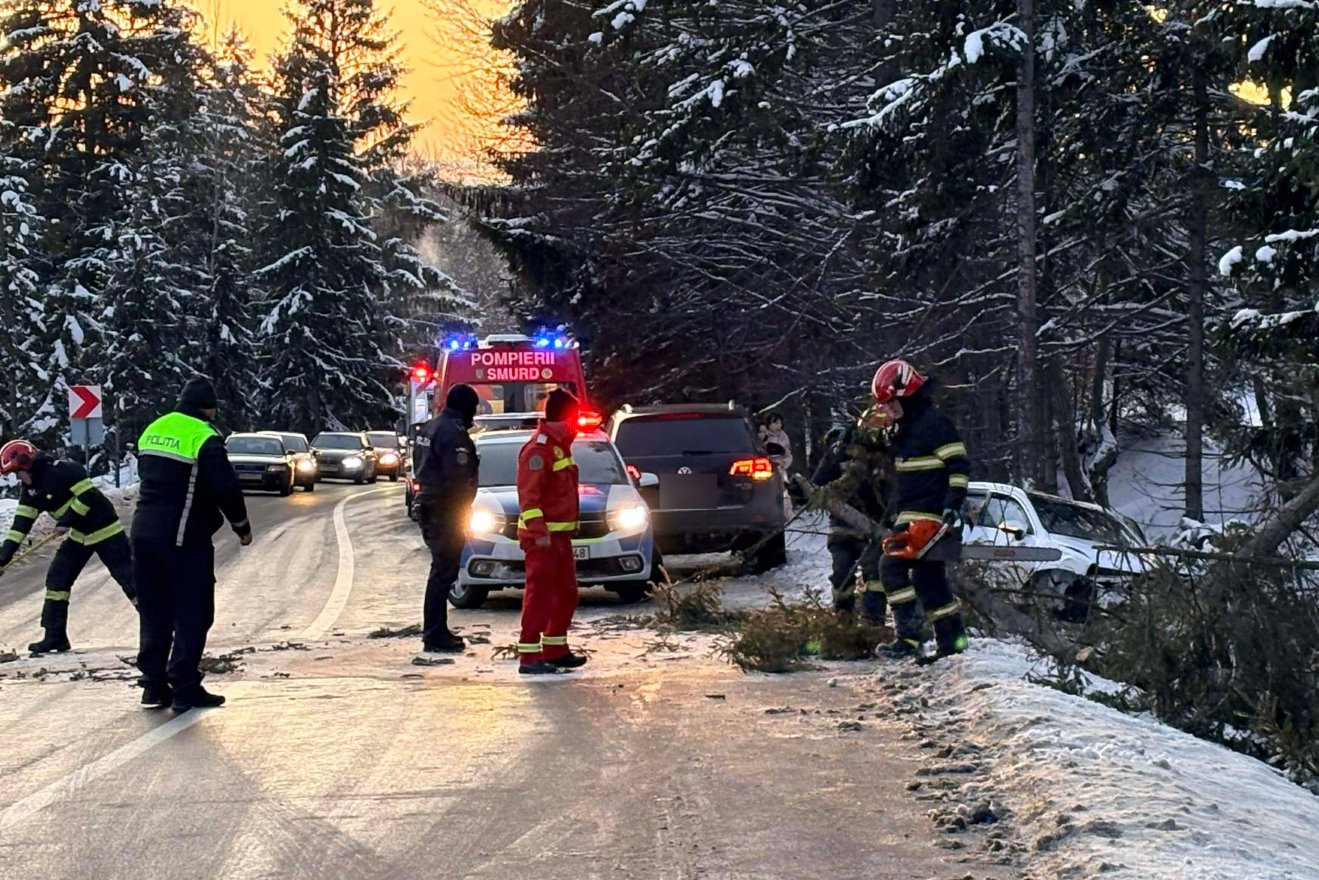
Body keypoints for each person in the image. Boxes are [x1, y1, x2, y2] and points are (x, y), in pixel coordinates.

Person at [132, 376, 251, 712]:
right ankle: (184, 686)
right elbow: (224, 487)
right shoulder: (203, 436)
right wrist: (240, 525)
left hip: (143, 534)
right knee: (193, 612)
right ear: (209, 409)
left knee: (154, 611)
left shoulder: (153, 428)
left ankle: (153, 686)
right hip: (183, 538)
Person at [870, 360, 970, 661]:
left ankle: (910, 637)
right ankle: (953, 642)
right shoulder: (907, 428)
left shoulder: (933, 424)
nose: (888, 409)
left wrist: (953, 505)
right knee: (929, 581)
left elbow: (959, 466)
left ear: (908, 393)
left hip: (930, 517)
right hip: (911, 514)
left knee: (890, 567)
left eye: (891, 402)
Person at [0, 440, 137, 654]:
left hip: (105, 529)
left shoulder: (64, 471)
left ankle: (159, 628)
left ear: (27, 464)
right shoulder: (30, 491)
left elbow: (89, 496)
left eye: (17, 473)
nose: (17, 478)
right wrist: (3, 558)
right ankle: (55, 637)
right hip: (79, 535)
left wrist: (66, 520)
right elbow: (20, 527)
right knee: (57, 580)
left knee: (129, 579)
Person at [515, 388, 586, 675]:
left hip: (559, 536)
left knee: (566, 592)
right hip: (543, 539)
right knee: (540, 595)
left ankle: (555, 649)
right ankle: (529, 655)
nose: (578, 425)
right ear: (565, 418)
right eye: (576, 417)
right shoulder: (539, 449)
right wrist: (538, 531)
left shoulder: (559, 447)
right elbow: (529, 497)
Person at [413, 383, 480, 653]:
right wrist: (464, 508)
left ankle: (436, 629)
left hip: (432, 506)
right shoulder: (452, 433)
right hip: (446, 509)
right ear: (465, 408)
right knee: (443, 572)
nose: (474, 415)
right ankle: (434, 634)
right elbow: (458, 478)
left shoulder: (430, 427)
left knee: (440, 571)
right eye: (473, 409)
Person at [810, 413, 894, 623]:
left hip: (878, 525)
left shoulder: (892, 452)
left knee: (874, 572)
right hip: (843, 525)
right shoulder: (841, 451)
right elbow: (818, 483)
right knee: (841, 570)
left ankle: (873, 622)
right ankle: (843, 619)